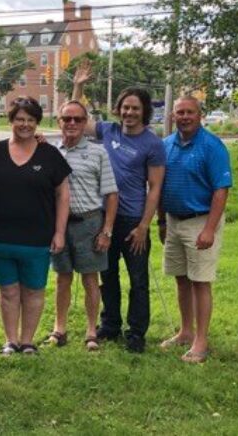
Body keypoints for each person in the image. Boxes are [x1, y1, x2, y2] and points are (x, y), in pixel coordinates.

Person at [72, 63, 165, 353]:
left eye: (135, 108)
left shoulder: (153, 143)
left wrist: (143, 226)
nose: (129, 113)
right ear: (118, 109)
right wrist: (79, 86)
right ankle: (110, 325)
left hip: (133, 221)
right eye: (125, 107)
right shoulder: (108, 131)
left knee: (138, 280)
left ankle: (136, 332)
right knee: (107, 275)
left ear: (144, 111)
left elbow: (155, 188)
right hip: (104, 219)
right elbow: (74, 119)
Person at [0, 97, 71, 356]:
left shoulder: (49, 153)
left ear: (37, 122)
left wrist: (59, 232)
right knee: (8, 291)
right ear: (10, 120)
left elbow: (63, 195)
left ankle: (28, 341)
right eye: (20, 119)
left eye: (30, 120)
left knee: (33, 291)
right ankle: (11, 340)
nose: (25, 124)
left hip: (37, 238)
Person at [158, 96, 232, 364]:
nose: (184, 116)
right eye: (180, 112)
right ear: (172, 116)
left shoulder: (212, 146)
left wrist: (210, 229)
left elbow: (221, 190)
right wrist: (162, 222)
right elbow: (158, 187)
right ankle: (186, 332)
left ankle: (201, 340)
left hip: (201, 221)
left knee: (200, 281)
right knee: (181, 278)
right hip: (173, 220)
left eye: (189, 112)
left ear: (199, 115)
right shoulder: (166, 146)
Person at [47, 100, 118, 351]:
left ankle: (91, 331)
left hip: (89, 223)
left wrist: (106, 230)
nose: (72, 123)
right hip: (60, 225)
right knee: (62, 279)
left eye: (78, 119)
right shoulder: (52, 152)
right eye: (67, 119)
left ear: (85, 121)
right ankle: (60, 328)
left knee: (90, 279)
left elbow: (111, 194)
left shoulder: (98, 153)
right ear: (59, 122)